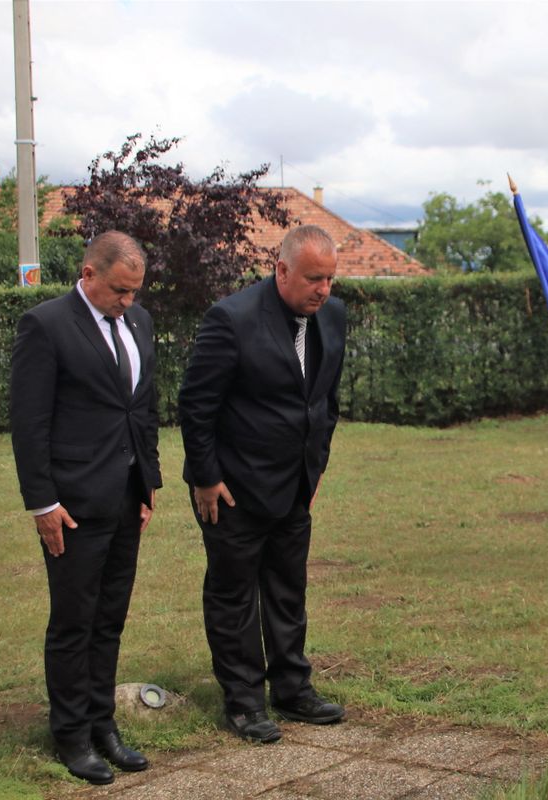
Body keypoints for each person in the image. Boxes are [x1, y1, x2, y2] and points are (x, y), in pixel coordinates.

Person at [178, 224, 348, 744]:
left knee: (287, 589)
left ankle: (293, 688)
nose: (323, 289)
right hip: (232, 492)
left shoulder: (332, 318)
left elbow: (325, 402)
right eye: (313, 278)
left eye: (330, 279)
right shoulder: (231, 319)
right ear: (281, 270)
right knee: (233, 597)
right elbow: (196, 405)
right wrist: (206, 479)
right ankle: (245, 701)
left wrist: (313, 469)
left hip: (294, 487)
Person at [10, 231, 161, 785]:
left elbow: (141, 408)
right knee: (75, 620)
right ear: (89, 273)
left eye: (136, 292)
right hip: (71, 505)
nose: (128, 302)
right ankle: (71, 735)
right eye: (120, 291)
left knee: (110, 617)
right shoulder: (46, 326)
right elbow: (29, 425)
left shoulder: (138, 324)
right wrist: (42, 503)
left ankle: (103, 725)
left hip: (125, 498)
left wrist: (149, 484)